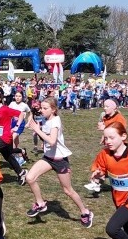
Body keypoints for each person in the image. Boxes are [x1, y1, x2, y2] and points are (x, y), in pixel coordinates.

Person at [24, 97, 94, 227]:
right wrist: (33, 125)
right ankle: (40, 204)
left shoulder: (56, 121)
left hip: (60, 160)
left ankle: (85, 212)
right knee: (30, 177)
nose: (42, 110)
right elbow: (42, 133)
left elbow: (52, 141)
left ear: (53, 109)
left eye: (45, 108)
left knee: (68, 191)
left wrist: (37, 129)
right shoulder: (45, 119)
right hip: (48, 158)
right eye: (42, 108)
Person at [0, 89, 27, 185]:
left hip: (6, 136)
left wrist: (16, 126)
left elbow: (21, 114)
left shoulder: (5, 109)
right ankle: (22, 173)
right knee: (8, 156)